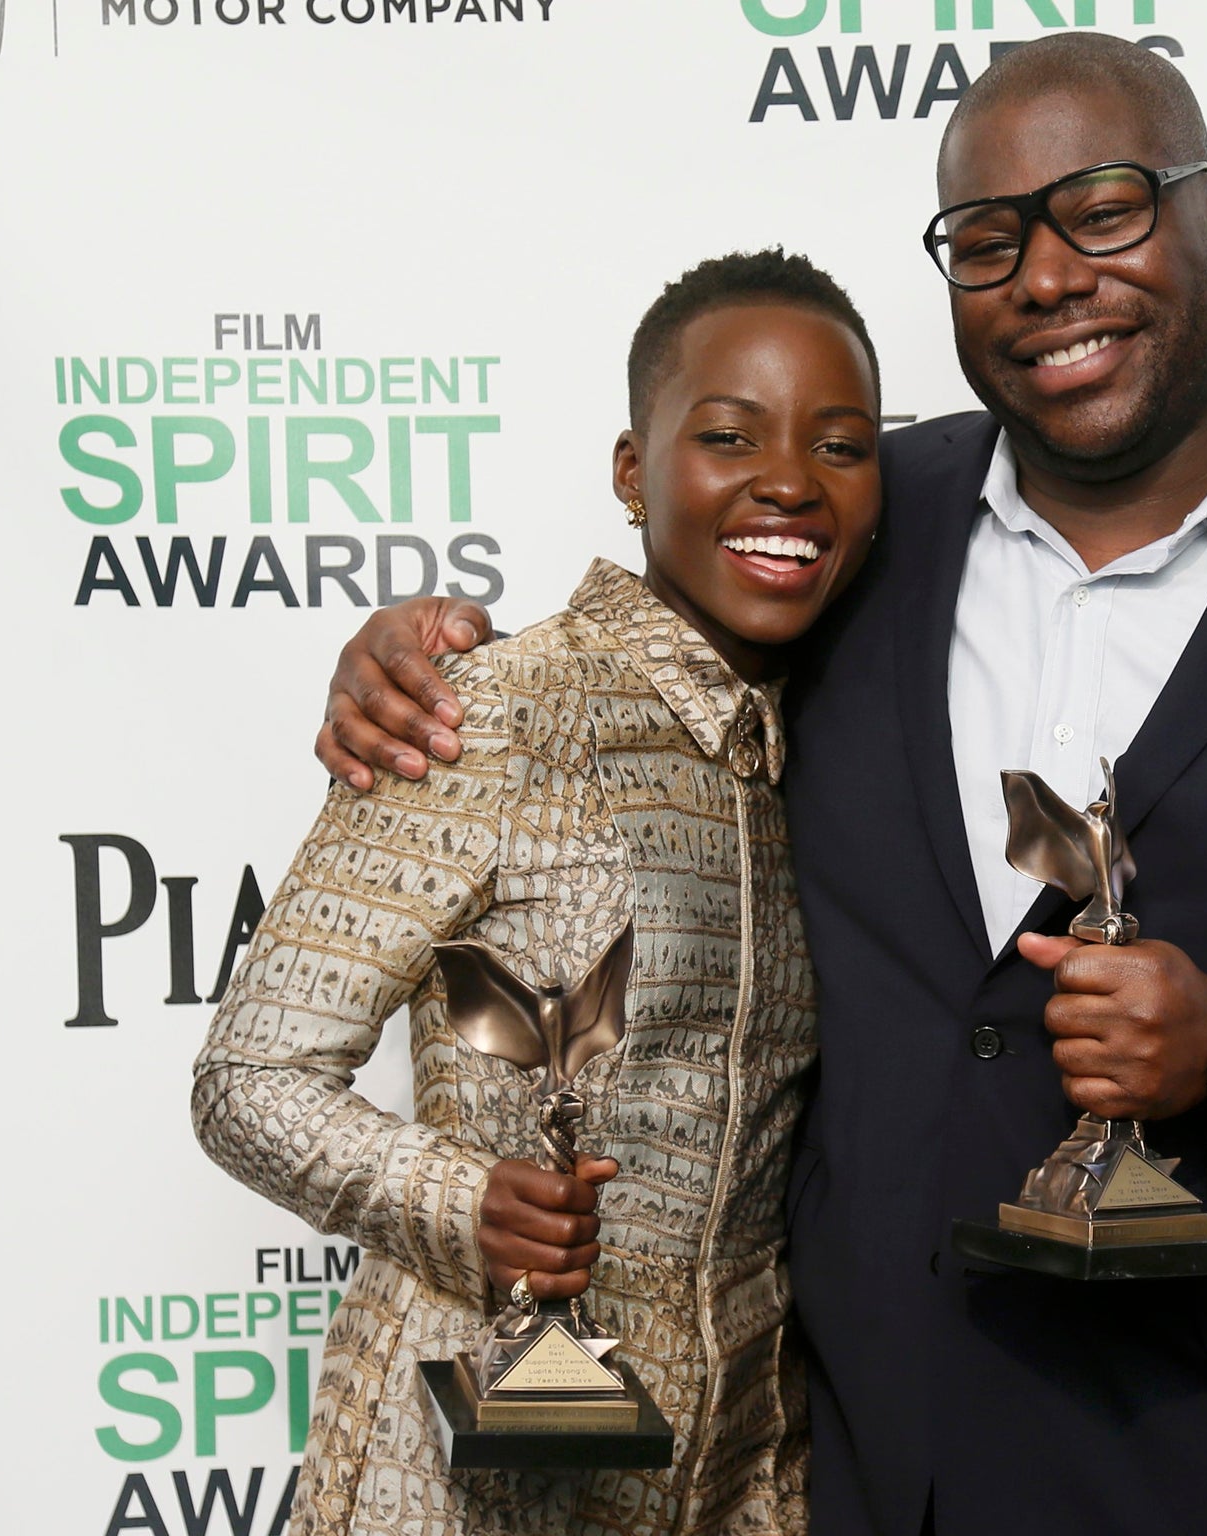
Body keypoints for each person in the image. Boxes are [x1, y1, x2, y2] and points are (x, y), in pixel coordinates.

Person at [315, 35, 1207, 1536]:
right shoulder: (853, 525)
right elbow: (647, 669)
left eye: (1104, 208)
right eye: (987, 239)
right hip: (872, 1464)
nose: (1045, 277)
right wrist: (437, 663)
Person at [194, 249, 884, 1536]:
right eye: (728, 435)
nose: (788, 479)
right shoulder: (494, 711)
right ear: (633, 470)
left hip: (732, 1472)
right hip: (458, 1476)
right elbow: (248, 1081)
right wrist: (468, 1205)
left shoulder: (828, 740)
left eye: (842, 445)